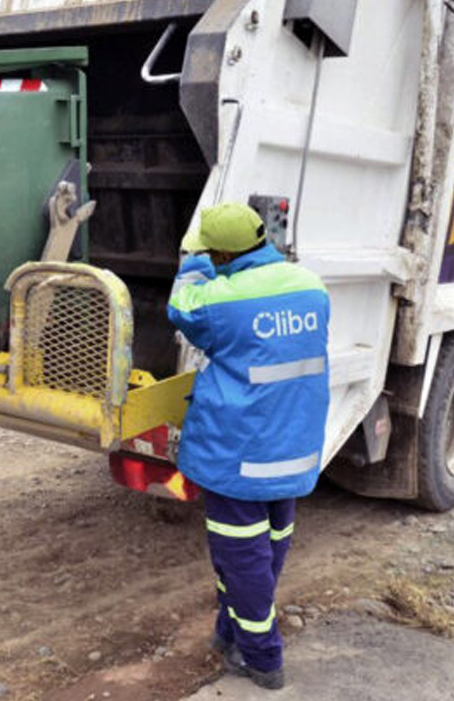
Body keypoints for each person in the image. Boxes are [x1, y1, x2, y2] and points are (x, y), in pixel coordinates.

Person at [167, 202, 330, 691]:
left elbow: (182, 308)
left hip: (239, 452)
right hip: (292, 443)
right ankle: (228, 631)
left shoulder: (220, 300)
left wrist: (193, 265)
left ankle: (262, 658)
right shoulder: (311, 286)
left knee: (241, 556)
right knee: (269, 544)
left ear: (220, 252)